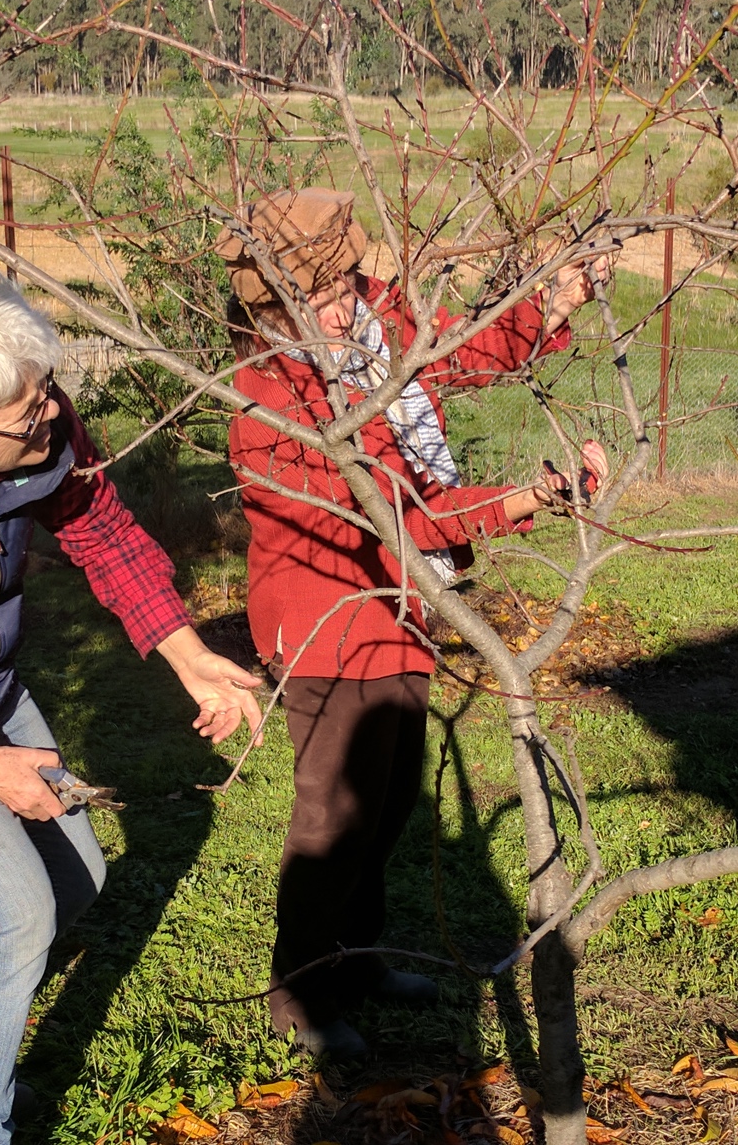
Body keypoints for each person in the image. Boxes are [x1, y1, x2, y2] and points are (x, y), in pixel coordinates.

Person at [0, 264, 263, 1145]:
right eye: (27, 408)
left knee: (75, 881)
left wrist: (188, 655)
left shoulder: (36, 420)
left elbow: (99, 525)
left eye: (46, 388)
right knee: (12, 917)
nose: (51, 412)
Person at [216, 188, 608, 1058]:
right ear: (272, 308)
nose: (343, 304)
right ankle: (300, 993)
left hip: (403, 603)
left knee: (389, 800)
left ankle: (353, 960)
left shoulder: (373, 322)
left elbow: (454, 358)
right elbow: (392, 517)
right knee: (334, 812)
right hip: (329, 616)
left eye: (344, 283)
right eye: (318, 297)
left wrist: (548, 303)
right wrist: (526, 497)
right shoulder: (268, 404)